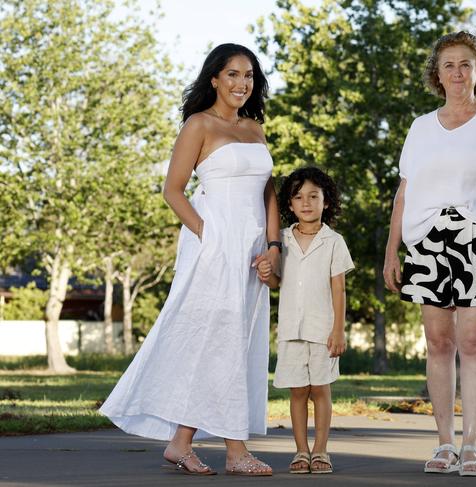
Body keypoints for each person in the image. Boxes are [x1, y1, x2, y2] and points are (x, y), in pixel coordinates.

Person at [99, 43, 280, 476]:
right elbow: (173, 190)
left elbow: (268, 191)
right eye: (233, 74)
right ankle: (235, 452)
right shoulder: (199, 125)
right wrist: (209, 235)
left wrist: (273, 247)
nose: (242, 83)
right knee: (214, 341)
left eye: (249, 76)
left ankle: (180, 443)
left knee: (231, 343)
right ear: (214, 78)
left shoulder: (255, 129)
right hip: (215, 249)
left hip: (254, 252)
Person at [383, 31, 476, 477]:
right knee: (438, 343)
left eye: (466, 63)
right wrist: (392, 252)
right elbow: (404, 192)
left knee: (473, 342)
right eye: (449, 65)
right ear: (437, 74)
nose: (458, 72)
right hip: (426, 239)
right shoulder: (420, 128)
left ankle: (472, 444)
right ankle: (444, 443)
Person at [255, 167, 354, 474]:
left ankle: (321, 451)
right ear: (289, 204)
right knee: (298, 391)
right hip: (290, 330)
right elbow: (275, 283)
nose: (306, 203)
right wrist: (266, 273)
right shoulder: (280, 240)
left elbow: (339, 288)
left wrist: (338, 330)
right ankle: (301, 451)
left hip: (323, 329)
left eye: (314, 196)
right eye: (298, 197)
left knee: (320, 390)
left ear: (326, 202)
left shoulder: (334, 241)